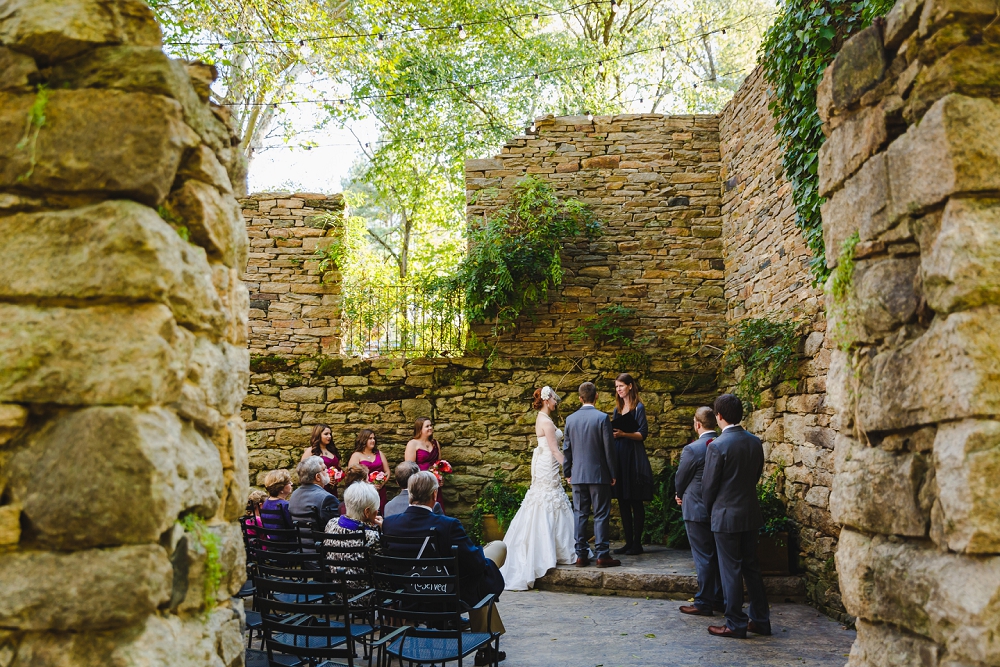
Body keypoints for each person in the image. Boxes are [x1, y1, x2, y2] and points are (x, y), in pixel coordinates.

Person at [382, 471, 507, 665]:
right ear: (434, 495)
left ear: (410, 495)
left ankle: (486, 647)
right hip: (445, 598)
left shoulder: (389, 524)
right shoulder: (448, 525)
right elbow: (474, 564)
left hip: (406, 597)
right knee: (490, 560)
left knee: (479, 573)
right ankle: (485, 648)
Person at [702, 393, 771, 638]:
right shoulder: (754, 441)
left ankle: (734, 623)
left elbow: (709, 487)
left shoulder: (717, 446)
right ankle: (761, 620)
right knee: (752, 568)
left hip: (725, 516)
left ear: (718, 416)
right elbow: (755, 476)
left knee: (730, 569)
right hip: (750, 513)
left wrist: (711, 511)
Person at [500, 386, 576, 590]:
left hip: (545, 462)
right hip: (547, 462)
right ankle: (545, 551)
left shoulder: (543, 418)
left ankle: (556, 548)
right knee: (546, 498)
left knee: (550, 498)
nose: (556, 401)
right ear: (546, 399)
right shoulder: (546, 421)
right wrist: (570, 470)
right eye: (553, 398)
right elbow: (555, 450)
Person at [563, 381, 620, 568]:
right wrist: (612, 473)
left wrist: (567, 472)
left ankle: (581, 555)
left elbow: (567, 449)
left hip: (578, 475)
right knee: (601, 514)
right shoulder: (602, 418)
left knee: (580, 513)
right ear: (596, 396)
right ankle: (602, 555)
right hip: (599, 475)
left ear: (580, 398)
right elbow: (608, 450)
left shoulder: (570, 419)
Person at [674, 407, 724, 616]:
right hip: (720, 508)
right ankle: (719, 599)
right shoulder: (723, 444)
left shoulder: (692, 449)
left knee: (703, 557)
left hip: (695, 507)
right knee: (718, 556)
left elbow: (681, 477)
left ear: (697, 424)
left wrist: (679, 493)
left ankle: (704, 602)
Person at [610, 373, 653, 555]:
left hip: (633, 457)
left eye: (621, 386)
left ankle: (637, 543)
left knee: (635, 500)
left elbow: (643, 434)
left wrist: (624, 434)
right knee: (623, 500)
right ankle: (628, 542)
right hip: (620, 456)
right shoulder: (617, 409)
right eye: (617, 387)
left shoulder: (639, 408)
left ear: (629, 386)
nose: (618, 389)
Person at [324, 482, 382, 601]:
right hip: (367, 597)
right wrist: (383, 529)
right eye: (376, 510)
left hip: (340, 593)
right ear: (367, 512)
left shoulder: (331, 524)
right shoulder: (371, 536)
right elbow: (382, 573)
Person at [288, 456, 341, 535]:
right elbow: (337, 528)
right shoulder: (327, 498)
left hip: (301, 545)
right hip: (320, 545)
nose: (327, 471)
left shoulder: (294, 494)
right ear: (318, 477)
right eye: (324, 469)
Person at [404, 417, 445, 511]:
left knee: (437, 508)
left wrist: (441, 477)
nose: (430, 428)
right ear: (420, 429)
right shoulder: (413, 444)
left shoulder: (435, 443)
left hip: (435, 483)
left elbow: (439, 464)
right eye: (427, 426)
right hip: (420, 484)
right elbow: (409, 467)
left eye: (431, 425)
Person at [348, 429, 390, 513]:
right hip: (365, 492)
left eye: (374, 438)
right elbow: (352, 474)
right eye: (370, 438)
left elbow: (387, 471)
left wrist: (382, 483)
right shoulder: (356, 455)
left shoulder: (379, 453)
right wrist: (369, 485)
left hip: (380, 490)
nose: (373, 441)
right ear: (363, 440)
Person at [301, 423, 341, 495]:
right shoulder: (311, 451)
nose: (329, 436)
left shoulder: (332, 451)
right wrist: (324, 479)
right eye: (326, 434)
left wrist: (337, 477)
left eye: (330, 434)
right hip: (318, 489)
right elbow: (303, 471)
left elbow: (338, 468)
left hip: (332, 489)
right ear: (318, 435)